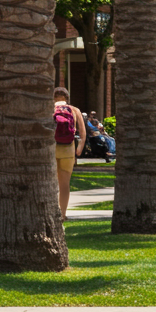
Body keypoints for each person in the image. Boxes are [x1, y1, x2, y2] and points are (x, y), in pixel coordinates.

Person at [52, 87, 87, 221]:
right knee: (64, 184)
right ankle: (62, 214)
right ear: (67, 98)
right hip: (68, 149)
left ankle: (51, 213)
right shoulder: (74, 110)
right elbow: (83, 134)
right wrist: (79, 149)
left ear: (53, 98)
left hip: (52, 148)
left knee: (51, 183)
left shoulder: (51, 109)